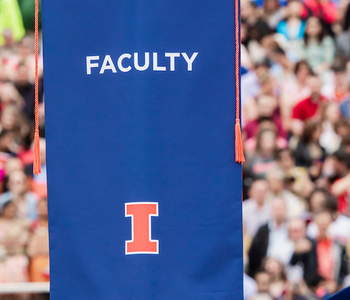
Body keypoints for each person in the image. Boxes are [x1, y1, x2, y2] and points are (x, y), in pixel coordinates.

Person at [248, 198, 292, 277]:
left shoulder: (292, 228)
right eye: (276, 209)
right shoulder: (263, 230)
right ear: (271, 211)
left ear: (286, 210)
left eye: (281, 208)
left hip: (288, 270)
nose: (279, 212)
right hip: (266, 271)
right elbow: (254, 253)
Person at [0, 201, 30, 282]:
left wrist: (6, 242)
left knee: (21, 262)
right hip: (2, 255)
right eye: (9, 209)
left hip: (16, 254)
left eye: (13, 210)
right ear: (4, 210)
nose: (11, 212)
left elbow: (22, 242)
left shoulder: (21, 224)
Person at [288, 218, 318, 286]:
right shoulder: (282, 246)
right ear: (288, 232)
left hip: (308, 286)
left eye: (299, 230)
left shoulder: (312, 244)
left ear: (305, 230)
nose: (297, 234)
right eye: (294, 231)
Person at [27, 198, 49, 282]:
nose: (42, 208)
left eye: (45, 206)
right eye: (40, 206)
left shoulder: (54, 225)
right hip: (37, 256)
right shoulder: (33, 225)